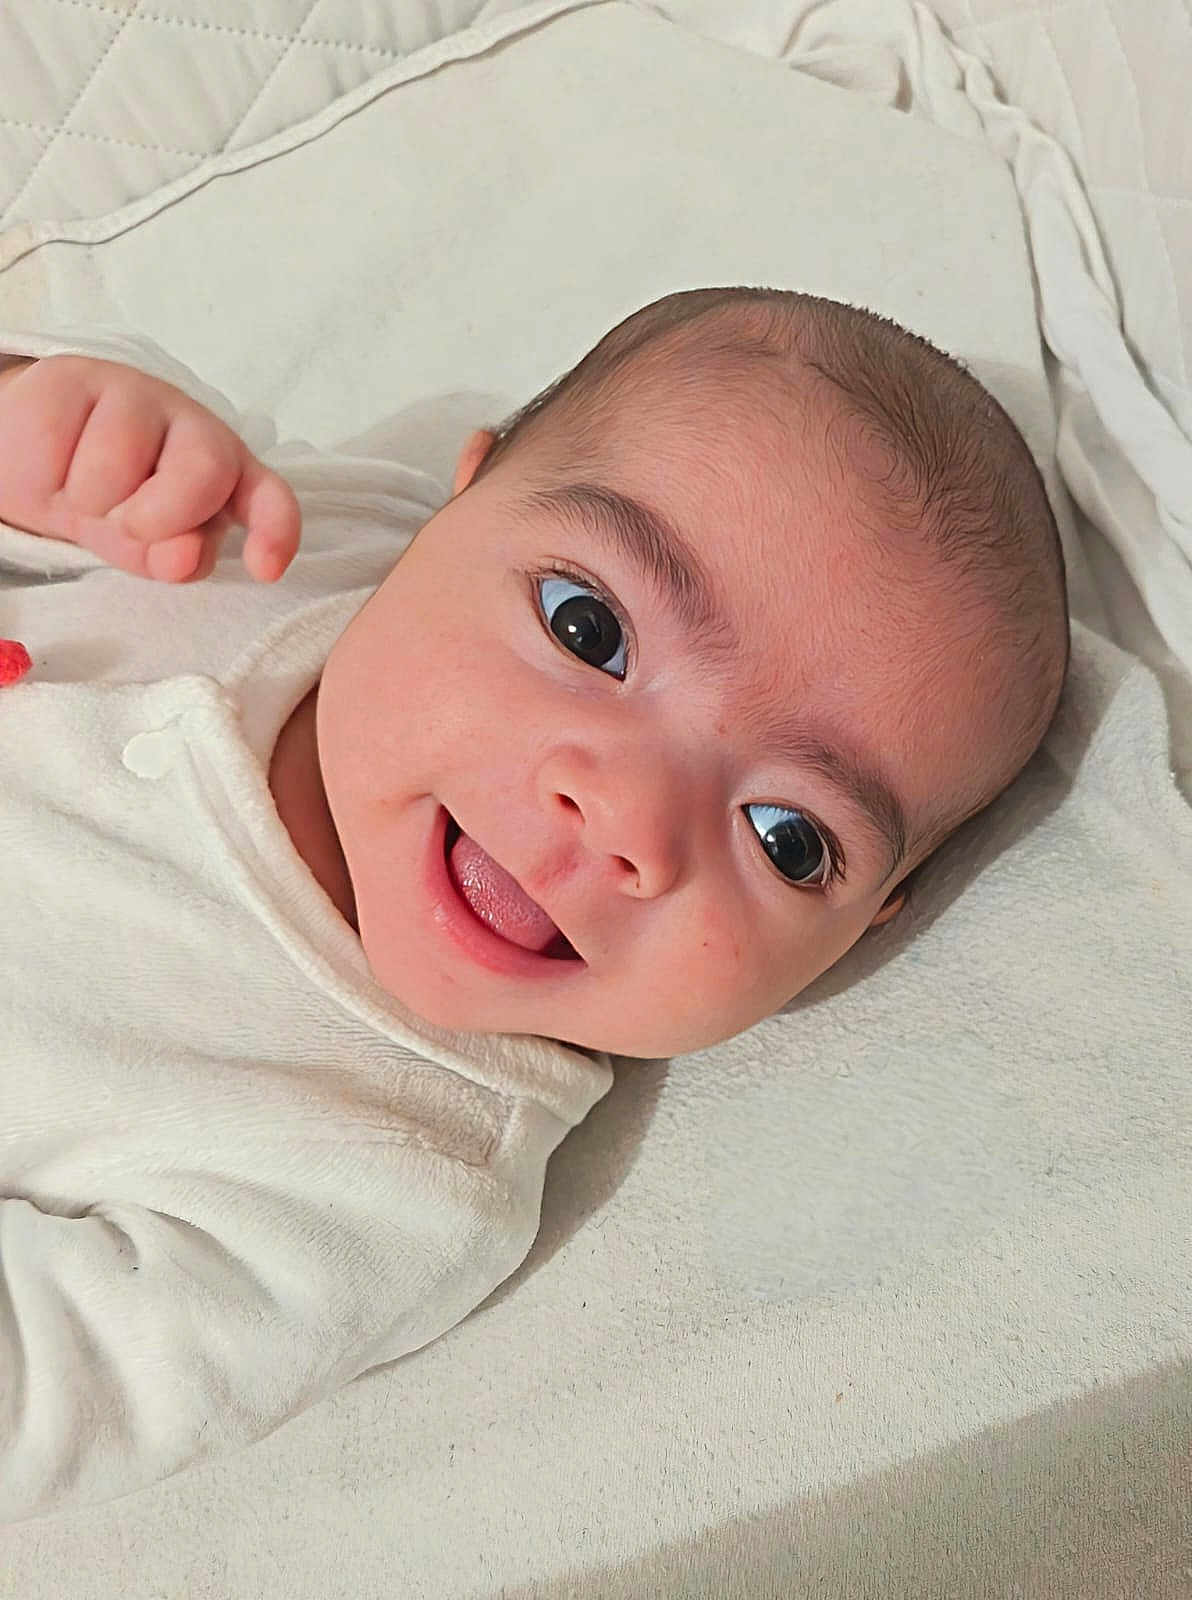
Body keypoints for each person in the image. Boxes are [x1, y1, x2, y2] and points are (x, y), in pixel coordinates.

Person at [0, 286, 1069, 1519]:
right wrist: (47, 407)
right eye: (588, 627)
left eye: (786, 837)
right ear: (460, 498)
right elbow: (119, 439)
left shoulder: (379, 1175)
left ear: (865, 927)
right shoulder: (328, 534)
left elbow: (47, 1394)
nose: (623, 819)